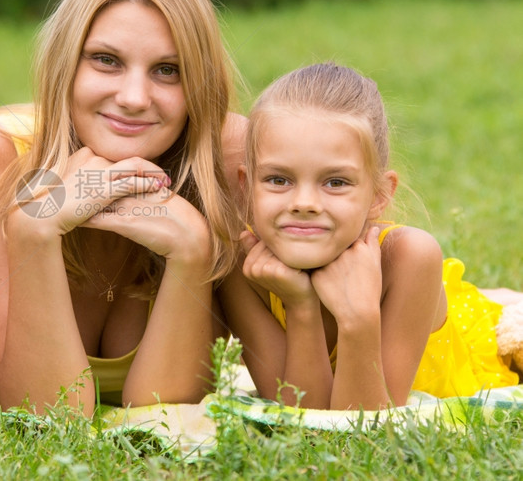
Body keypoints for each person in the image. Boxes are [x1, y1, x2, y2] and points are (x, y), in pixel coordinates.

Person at [0, 0, 246, 415]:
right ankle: (40, 133)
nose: (134, 96)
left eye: (168, 70)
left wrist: (193, 249)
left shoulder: (229, 160)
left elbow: (162, 412)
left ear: (200, 84)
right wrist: (35, 229)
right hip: (11, 177)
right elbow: (42, 412)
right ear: (65, 64)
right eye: (106, 60)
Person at [219, 62, 520, 411]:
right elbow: (302, 420)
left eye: (335, 182)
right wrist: (301, 308)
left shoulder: (409, 256)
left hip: (469, 346)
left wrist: (358, 319)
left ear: (379, 195)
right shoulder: (241, 266)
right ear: (246, 185)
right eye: (278, 179)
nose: (304, 203)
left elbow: (365, 428)